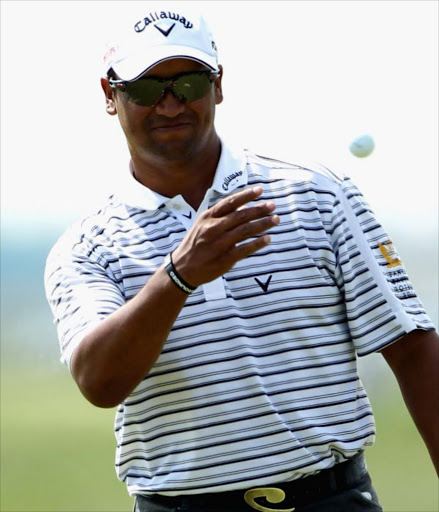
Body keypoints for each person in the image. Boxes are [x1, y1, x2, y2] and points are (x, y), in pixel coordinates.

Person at [44, 6, 439, 512]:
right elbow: (99, 382)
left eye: (188, 83)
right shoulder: (86, 247)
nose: (169, 105)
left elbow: (412, 346)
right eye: (145, 89)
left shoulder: (316, 194)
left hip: (331, 499)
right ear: (109, 95)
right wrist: (178, 277)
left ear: (219, 85)